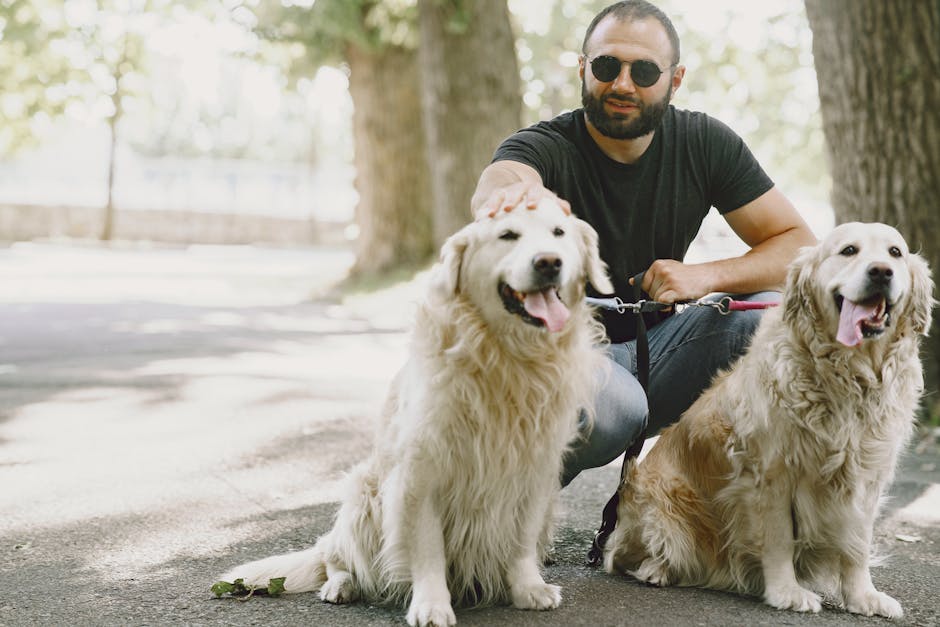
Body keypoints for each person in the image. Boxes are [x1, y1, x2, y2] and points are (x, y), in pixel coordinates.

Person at [470, 0, 818, 485]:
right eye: (607, 66)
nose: (622, 85)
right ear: (583, 69)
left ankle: (720, 509)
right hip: (559, 356)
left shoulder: (706, 143)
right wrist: (514, 196)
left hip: (661, 349)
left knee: (767, 319)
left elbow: (799, 246)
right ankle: (497, 511)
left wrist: (706, 276)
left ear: (674, 81)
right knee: (620, 404)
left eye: (645, 71)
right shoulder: (545, 145)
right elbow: (502, 179)